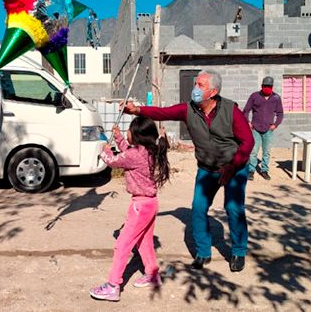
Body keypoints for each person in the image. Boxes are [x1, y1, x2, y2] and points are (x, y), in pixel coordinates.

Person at [120, 69, 254, 272]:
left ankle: (238, 251)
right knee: (198, 208)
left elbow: (248, 142)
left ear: (213, 92)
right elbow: (163, 112)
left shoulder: (230, 110)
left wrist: (233, 166)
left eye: (200, 85)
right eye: (195, 84)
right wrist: (137, 110)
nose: (195, 89)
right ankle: (203, 252)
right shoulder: (188, 109)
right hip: (207, 169)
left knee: (233, 208)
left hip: (234, 167)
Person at [89, 117, 170, 302]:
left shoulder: (135, 155)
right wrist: (118, 138)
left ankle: (112, 286)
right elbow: (128, 152)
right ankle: (152, 274)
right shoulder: (148, 150)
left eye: (129, 130)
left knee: (122, 244)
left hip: (140, 207)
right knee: (144, 242)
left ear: (138, 136)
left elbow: (114, 160)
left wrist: (105, 152)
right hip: (150, 204)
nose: (127, 132)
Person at [242, 76, 284, 181]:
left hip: (268, 130)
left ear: (272, 87)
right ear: (262, 86)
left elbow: (280, 113)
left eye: (269, 86)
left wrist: (276, 124)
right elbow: (246, 110)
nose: (267, 88)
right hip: (255, 129)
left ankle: (264, 170)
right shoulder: (254, 96)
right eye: (265, 86)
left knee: (266, 152)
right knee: (253, 151)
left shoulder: (276, 98)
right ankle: (251, 170)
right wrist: (248, 122)